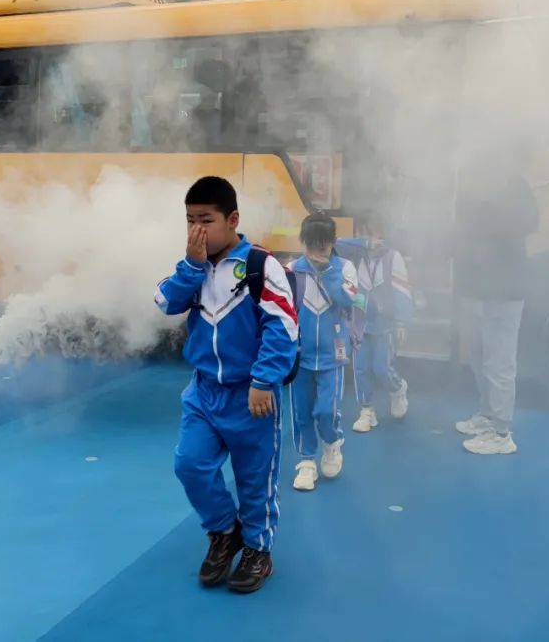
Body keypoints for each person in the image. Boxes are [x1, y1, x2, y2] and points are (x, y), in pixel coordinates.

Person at [155, 176, 299, 594]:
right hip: (203, 393)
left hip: (250, 395)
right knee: (190, 464)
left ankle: (257, 549)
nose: (197, 231)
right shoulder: (193, 267)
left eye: (206, 220)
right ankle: (223, 531)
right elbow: (165, 301)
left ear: (232, 219)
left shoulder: (260, 265)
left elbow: (283, 326)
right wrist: (191, 265)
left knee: (255, 479)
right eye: (189, 221)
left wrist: (263, 380)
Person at [453, 154, 539, 455]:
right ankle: (487, 415)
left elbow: (528, 222)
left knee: (499, 361)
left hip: (504, 289)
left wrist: (489, 212)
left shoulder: (515, 188)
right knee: (478, 355)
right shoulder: (473, 188)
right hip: (476, 289)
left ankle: (502, 433)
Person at [287, 212, 361, 492]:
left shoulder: (346, 268)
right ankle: (306, 461)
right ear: (303, 242)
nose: (317, 251)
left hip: (333, 355)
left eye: (323, 244)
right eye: (312, 244)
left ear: (333, 242)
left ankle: (332, 443)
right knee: (302, 411)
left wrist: (328, 272)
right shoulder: (292, 270)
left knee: (326, 410)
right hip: (300, 356)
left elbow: (347, 299)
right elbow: (283, 311)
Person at [337, 211, 414, 432]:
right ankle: (366, 410)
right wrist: (363, 243)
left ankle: (398, 388)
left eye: (374, 232)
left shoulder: (393, 256)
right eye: (365, 232)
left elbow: (402, 290)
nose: (371, 237)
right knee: (360, 368)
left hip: (386, 324)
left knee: (381, 367)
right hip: (360, 322)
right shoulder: (354, 254)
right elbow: (337, 244)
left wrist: (401, 322)